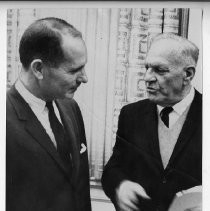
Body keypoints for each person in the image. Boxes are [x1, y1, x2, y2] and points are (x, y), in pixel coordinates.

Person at [101, 33, 202, 211]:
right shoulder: (131, 114)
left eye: (160, 70)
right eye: (147, 68)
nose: (147, 77)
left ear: (188, 74)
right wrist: (121, 186)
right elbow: (113, 168)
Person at [6, 17, 91, 211]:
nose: (85, 78)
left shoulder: (71, 108)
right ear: (38, 69)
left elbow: (81, 191)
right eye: (74, 70)